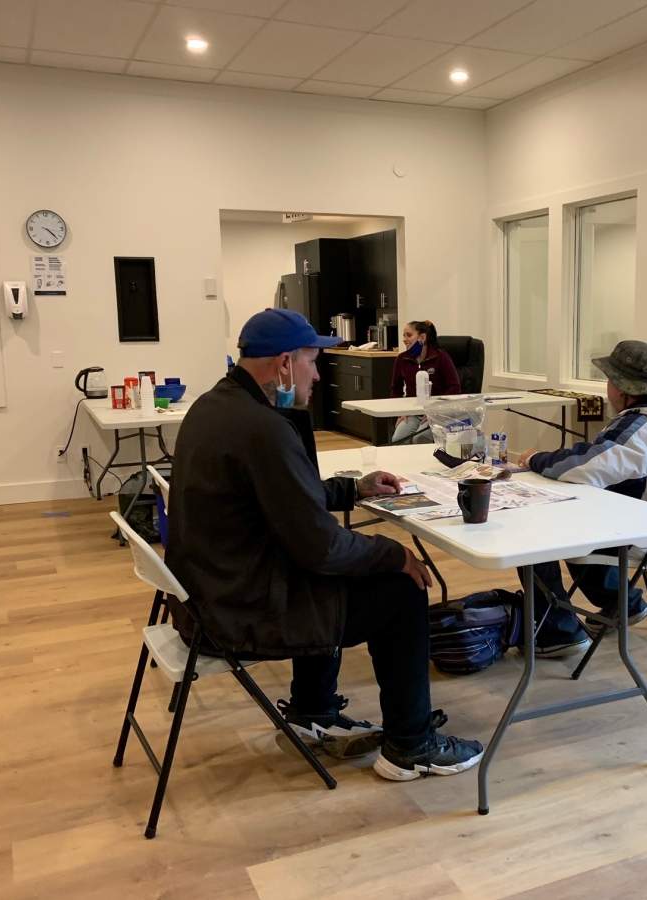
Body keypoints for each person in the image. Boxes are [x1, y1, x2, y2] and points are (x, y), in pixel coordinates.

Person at [165, 308, 483, 781]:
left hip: (208, 595)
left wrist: (353, 489)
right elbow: (321, 549)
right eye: (313, 362)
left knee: (348, 566)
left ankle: (312, 710)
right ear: (285, 364)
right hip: (238, 611)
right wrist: (394, 554)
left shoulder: (216, 407)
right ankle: (411, 745)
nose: (317, 375)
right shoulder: (262, 429)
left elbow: (282, 498)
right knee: (401, 590)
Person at [513, 340, 647, 657]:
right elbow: (601, 459)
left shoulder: (641, 426)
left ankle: (558, 631)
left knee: (531, 532)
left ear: (621, 386)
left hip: (633, 532)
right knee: (570, 522)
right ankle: (624, 603)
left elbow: (583, 466)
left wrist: (536, 459)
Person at [389, 320, 462, 444]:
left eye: (409, 335)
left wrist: (436, 410)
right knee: (398, 440)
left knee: (420, 439)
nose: (404, 339)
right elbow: (395, 388)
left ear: (422, 337)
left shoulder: (440, 357)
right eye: (404, 335)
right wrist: (401, 411)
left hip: (437, 412)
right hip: (413, 412)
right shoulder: (402, 359)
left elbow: (454, 387)